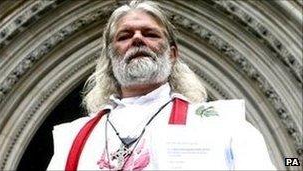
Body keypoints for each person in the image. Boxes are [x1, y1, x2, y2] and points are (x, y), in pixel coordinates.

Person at [47, 0, 276, 170]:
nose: (137, 39)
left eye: (150, 34)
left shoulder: (223, 126)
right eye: (124, 36)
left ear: (173, 54)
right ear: (109, 57)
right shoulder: (73, 138)